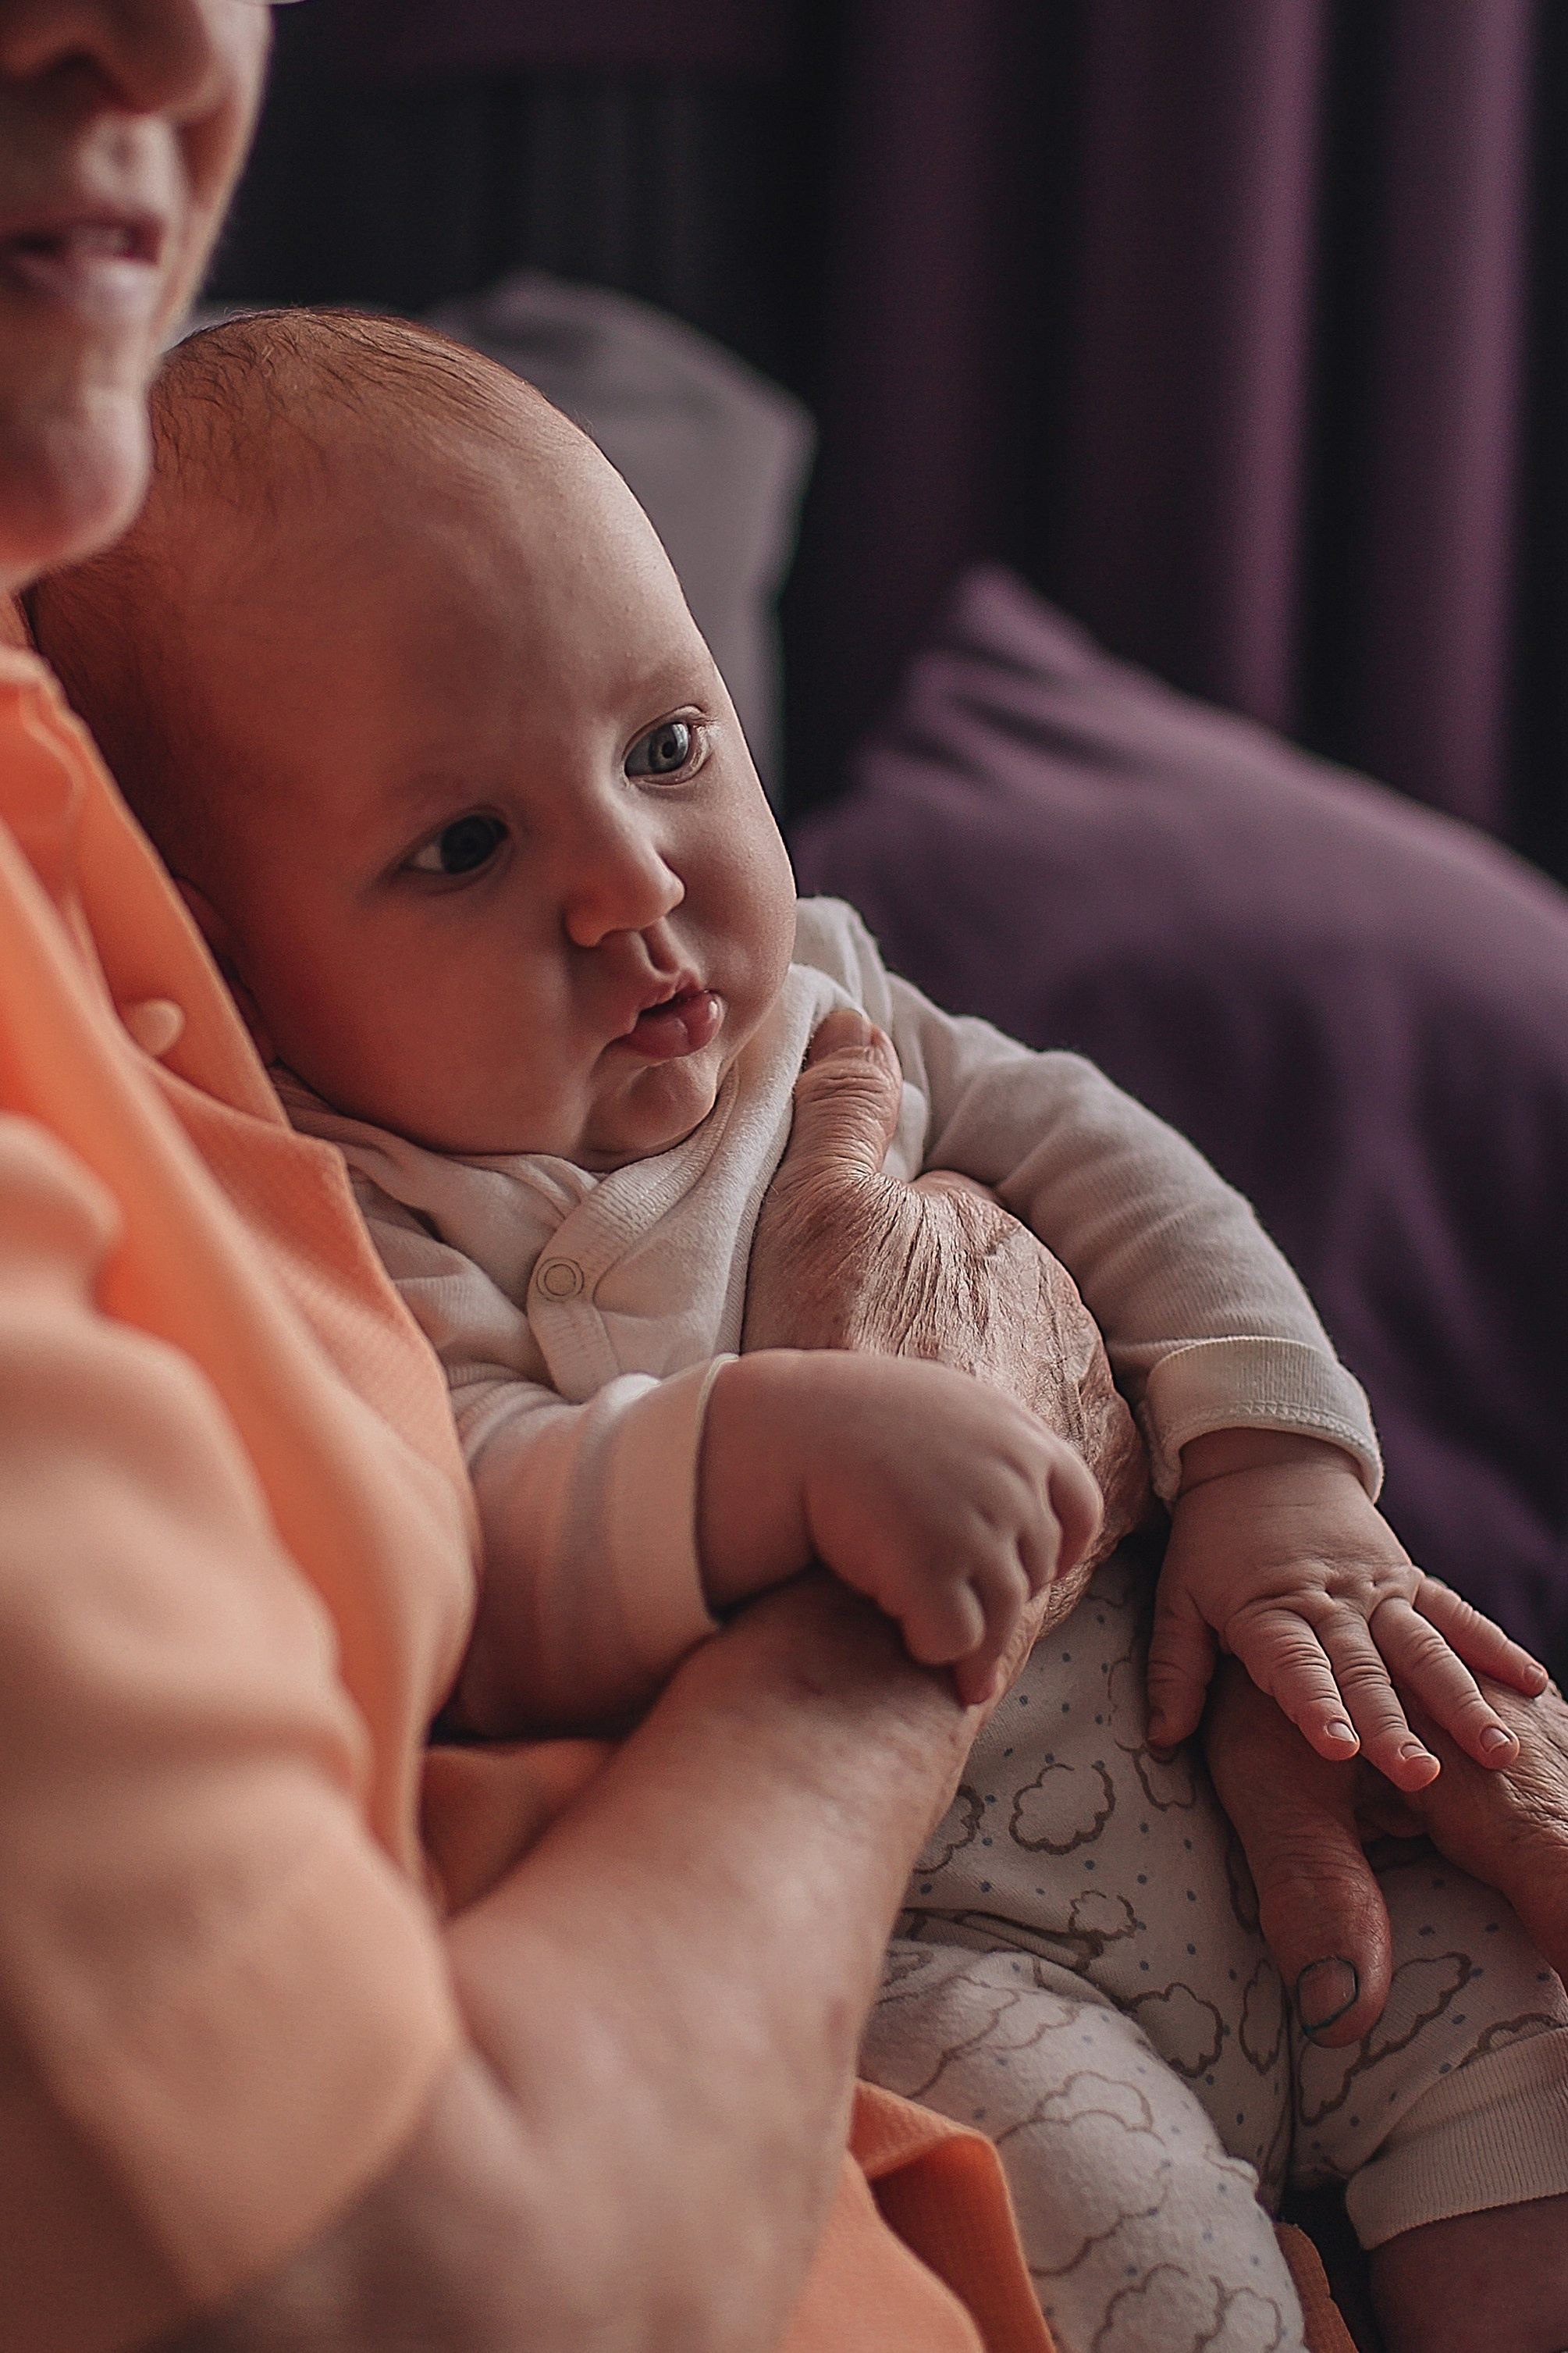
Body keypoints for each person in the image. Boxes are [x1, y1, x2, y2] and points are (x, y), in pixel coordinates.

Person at [0, 10, 1564, 2351]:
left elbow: (1107, 1166)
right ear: (227, 958)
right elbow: (482, 1540)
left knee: (1515, 2017)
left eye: (665, 745)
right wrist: (777, 1461)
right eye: (461, 847)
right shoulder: (355, 1214)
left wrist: (1270, 1478)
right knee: (1135, 2247)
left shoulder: (817, 1001)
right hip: (932, 1965)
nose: (632, 888)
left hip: (1209, 1737)